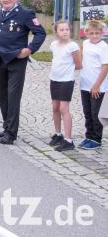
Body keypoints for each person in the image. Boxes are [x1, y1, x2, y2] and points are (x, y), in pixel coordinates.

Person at [0, 0, 46, 144]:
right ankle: (6, 127)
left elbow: (40, 33)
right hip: (0, 59)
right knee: (3, 96)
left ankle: (11, 134)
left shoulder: (25, 14)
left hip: (16, 60)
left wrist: (29, 49)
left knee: (13, 97)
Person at [47, 20, 81, 151]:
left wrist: (68, 72)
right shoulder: (54, 44)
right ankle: (58, 134)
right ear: (56, 32)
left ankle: (68, 139)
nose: (65, 32)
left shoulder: (73, 46)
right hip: (54, 79)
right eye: (62, 30)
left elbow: (78, 64)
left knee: (63, 108)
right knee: (55, 107)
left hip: (66, 80)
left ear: (70, 31)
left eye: (67, 29)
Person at [77, 20, 107, 150]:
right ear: (86, 33)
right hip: (85, 84)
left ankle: (96, 139)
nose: (95, 36)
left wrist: (97, 85)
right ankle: (89, 136)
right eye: (92, 33)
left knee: (96, 113)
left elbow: (105, 68)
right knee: (87, 112)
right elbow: (81, 59)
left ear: (102, 33)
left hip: (97, 86)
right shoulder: (85, 43)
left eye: (97, 33)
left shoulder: (104, 47)